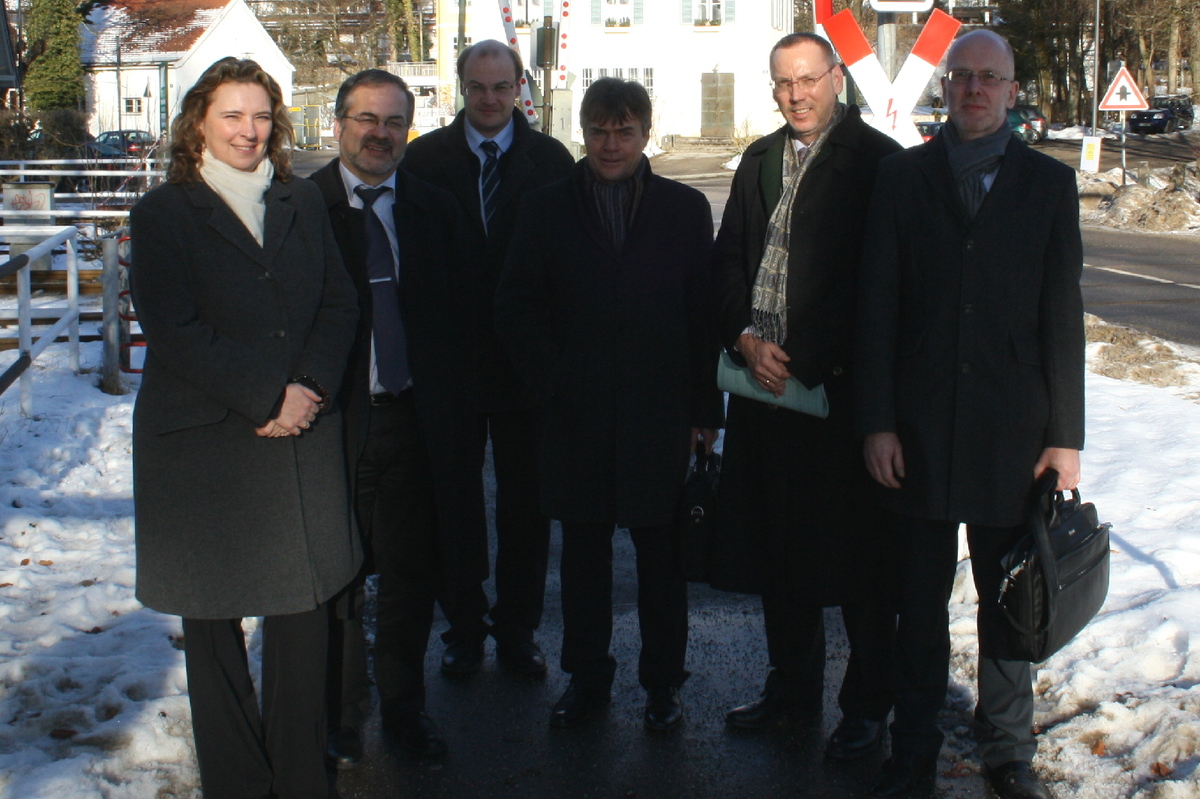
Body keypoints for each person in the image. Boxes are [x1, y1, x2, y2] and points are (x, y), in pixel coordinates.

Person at [855, 30, 1084, 799]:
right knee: (915, 605)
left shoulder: (1048, 187)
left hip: (1011, 434)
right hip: (915, 432)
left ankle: (1006, 752)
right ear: (944, 88)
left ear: (1013, 91)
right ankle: (913, 745)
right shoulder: (900, 178)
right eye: (962, 78)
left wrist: (1065, 439)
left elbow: (1063, 317)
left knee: (1009, 601)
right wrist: (876, 420)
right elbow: (876, 309)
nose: (975, 90)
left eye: (990, 78)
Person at [129, 57, 359, 798]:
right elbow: (175, 329)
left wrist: (308, 390)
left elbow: (340, 306)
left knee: (302, 619)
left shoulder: (301, 202)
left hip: (299, 441)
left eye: (260, 115)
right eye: (232, 114)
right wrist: (269, 395)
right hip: (205, 449)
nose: (249, 130)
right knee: (213, 626)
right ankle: (236, 783)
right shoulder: (164, 213)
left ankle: (299, 780)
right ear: (199, 120)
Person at [495, 77, 722, 731]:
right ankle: (586, 678)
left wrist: (705, 411)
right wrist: (552, 379)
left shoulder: (682, 209)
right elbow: (515, 305)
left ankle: (663, 686)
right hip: (574, 415)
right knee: (584, 560)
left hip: (659, 415)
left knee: (661, 561)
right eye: (599, 130)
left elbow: (700, 313)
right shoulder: (545, 207)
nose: (611, 143)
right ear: (584, 133)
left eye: (624, 130)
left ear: (646, 133)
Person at [709, 31, 902, 760]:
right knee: (779, 552)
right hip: (761, 389)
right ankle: (792, 690)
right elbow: (728, 260)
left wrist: (802, 359)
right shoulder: (758, 160)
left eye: (808, 79)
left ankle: (866, 706)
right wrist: (744, 338)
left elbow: (877, 284)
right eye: (783, 83)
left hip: (840, 396)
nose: (796, 94)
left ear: (836, 77)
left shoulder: (879, 162)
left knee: (857, 566)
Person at [310, 69, 483, 765]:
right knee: (337, 580)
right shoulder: (299, 207)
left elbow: (467, 316)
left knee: (412, 578)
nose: (379, 134)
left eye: (393, 122)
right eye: (365, 120)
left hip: (415, 422)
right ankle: (339, 718)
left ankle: (405, 710)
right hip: (333, 426)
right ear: (339, 124)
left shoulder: (436, 209)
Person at [405, 39, 574, 677]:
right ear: (461, 87)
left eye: (501, 87)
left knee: (526, 504)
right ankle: (464, 627)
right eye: (478, 87)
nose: (490, 99)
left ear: (520, 86)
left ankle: (518, 629)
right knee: (453, 500)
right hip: (449, 361)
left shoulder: (552, 160)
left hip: (525, 365)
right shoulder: (424, 161)